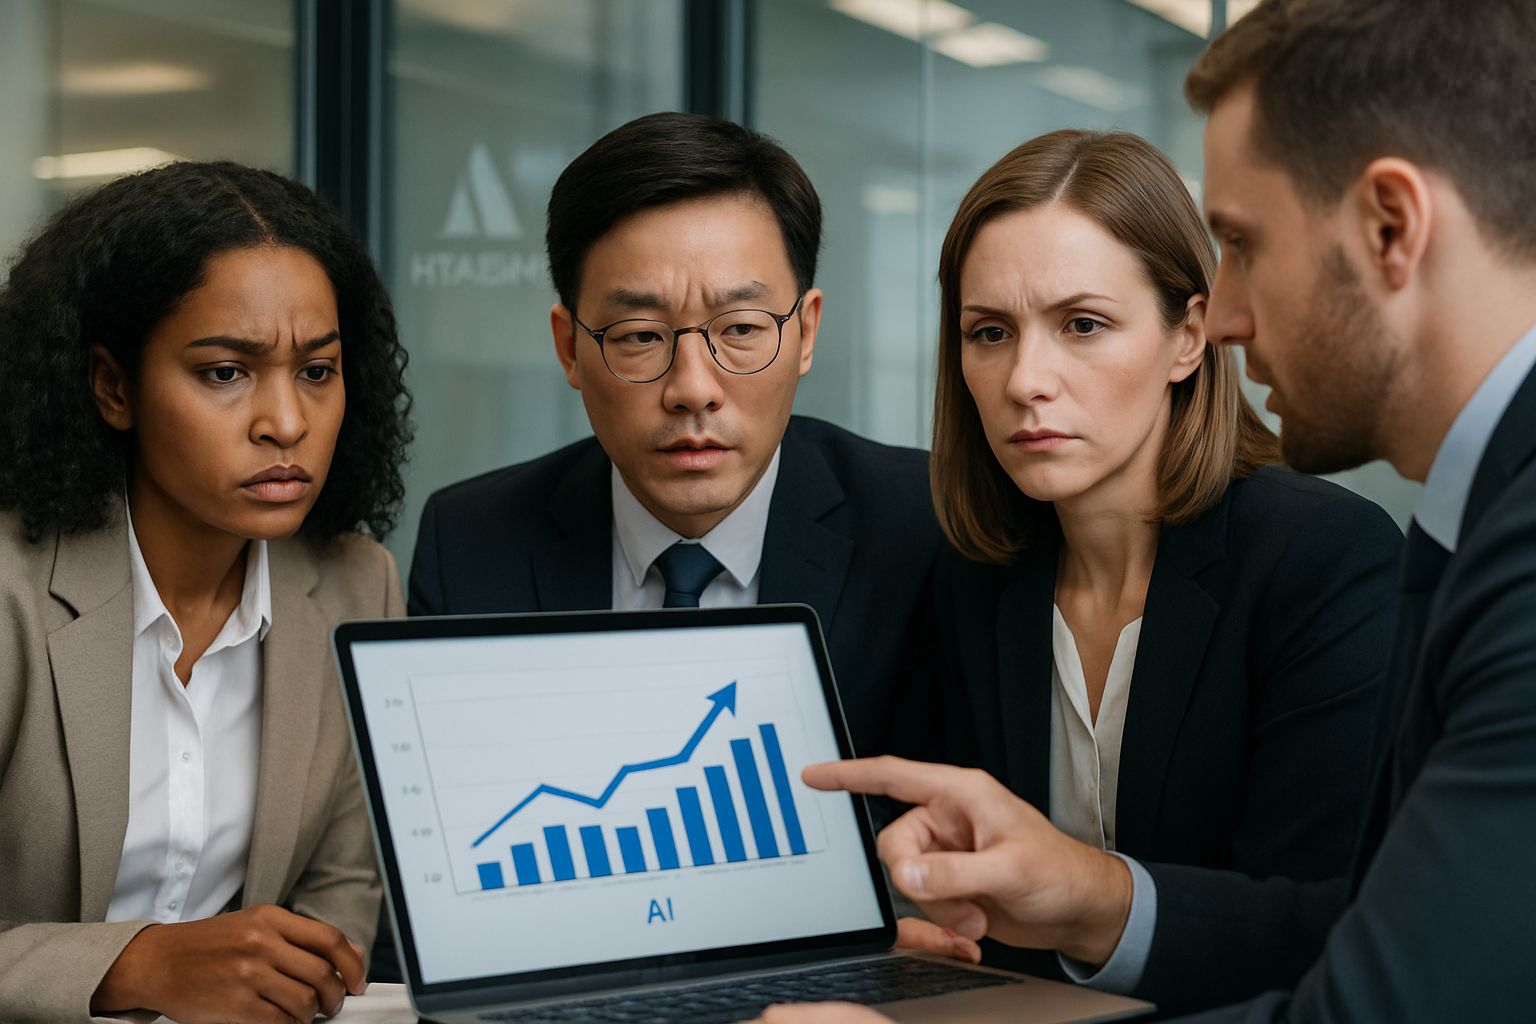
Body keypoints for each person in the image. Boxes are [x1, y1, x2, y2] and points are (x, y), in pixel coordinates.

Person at [751, 0, 1536, 1020]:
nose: (1236, 318)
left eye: (1245, 245)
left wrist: (1090, 900)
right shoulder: (971, 572)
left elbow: (1364, 978)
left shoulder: (1378, 556)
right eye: (989, 333)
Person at [0, 160, 413, 1024]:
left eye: (317, 371)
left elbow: (339, 899)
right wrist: (132, 966)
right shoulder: (11, 593)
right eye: (226, 372)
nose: (286, 422)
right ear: (114, 387)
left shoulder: (352, 582)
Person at [408, 112, 940, 760]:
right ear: (568, 347)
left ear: (807, 332)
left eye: (740, 329)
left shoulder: (925, 528)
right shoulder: (471, 543)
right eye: (639, 336)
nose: (693, 388)